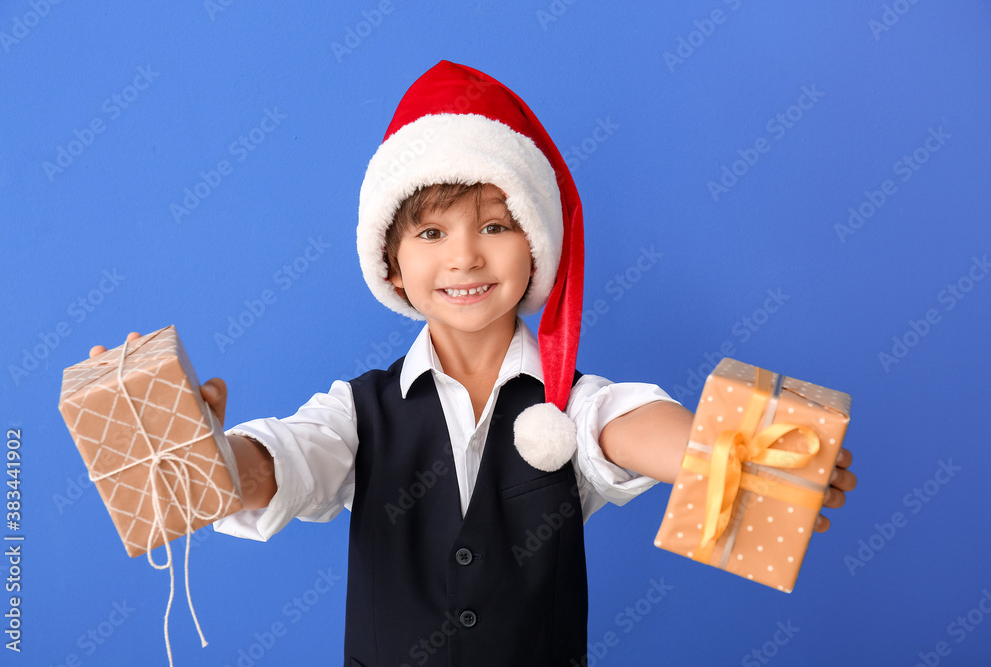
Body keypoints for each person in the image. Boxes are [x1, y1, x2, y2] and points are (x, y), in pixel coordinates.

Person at [91, 61, 856, 667]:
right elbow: (286, 460)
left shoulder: (569, 407)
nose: (464, 255)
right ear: (391, 265)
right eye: (430, 233)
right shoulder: (359, 413)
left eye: (495, 224)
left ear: (536, 249)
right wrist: (198, 449)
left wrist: (734, 456)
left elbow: (630, 425)